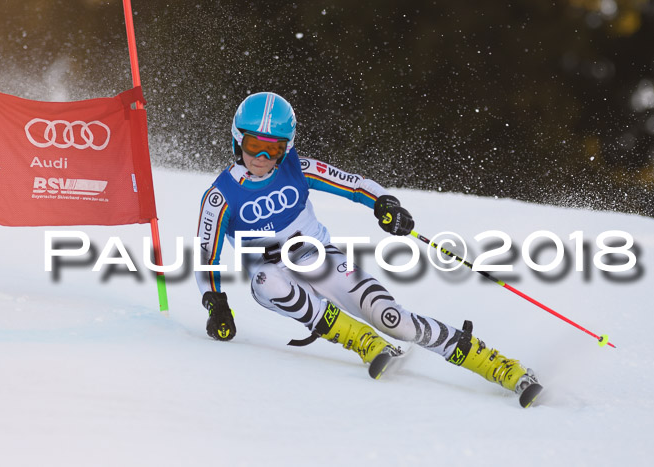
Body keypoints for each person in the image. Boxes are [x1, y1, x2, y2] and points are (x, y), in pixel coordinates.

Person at [195, 91, 539, 397]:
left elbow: (354, 184)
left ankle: (500, 366)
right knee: (266, 281)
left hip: (319, 258)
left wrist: (384, 204)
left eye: (274, 149)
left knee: (394, 320)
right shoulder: (220, 196)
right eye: (254, 146)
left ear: (287, 148)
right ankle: (362, 341)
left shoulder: (297, 168)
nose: (262, 158)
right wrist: (216, 302)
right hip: (272, 273)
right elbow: (205, 255)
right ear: (237, 141)